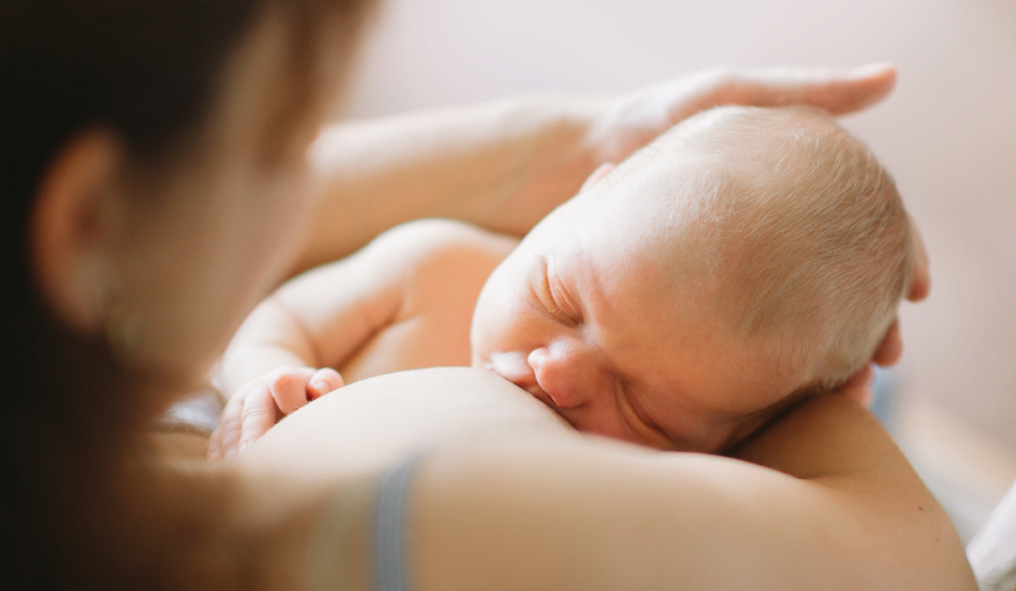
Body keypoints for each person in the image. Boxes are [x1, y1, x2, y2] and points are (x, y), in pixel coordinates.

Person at [0, 0, 980, 591]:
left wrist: (571, 154)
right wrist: (820, 393)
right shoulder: (417, 515)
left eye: (649, 409)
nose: (556, 371)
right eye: (290, 142)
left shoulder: (68, 440)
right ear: (90, 225)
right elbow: (925, 582)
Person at [210, 104, 913, 459]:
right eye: (560, 300)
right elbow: (278, 317)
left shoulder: (651, 485)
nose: (558, 373)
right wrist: (268, 378)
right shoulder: (434, 267)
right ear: (579, 196)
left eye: (645, 409)